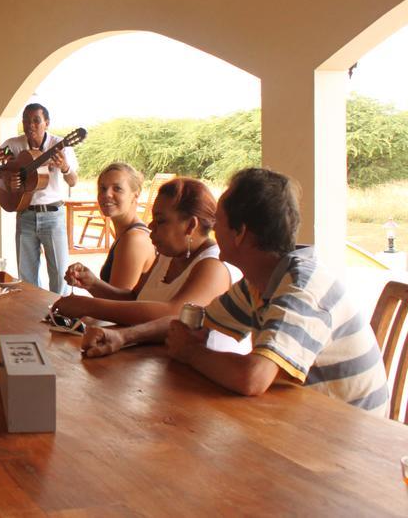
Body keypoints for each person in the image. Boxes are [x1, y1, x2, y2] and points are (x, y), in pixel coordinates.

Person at [81, 168, 390, 415]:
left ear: (240, 233)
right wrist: (123, 338)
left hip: (351, 445)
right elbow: (192, 321)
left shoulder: (302, 287)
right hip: (301, 422)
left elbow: (252, 378)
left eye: (220, 224)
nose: (212, 231)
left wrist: (190, 352)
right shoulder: (259, 282)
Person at [53, 178, 234, 324]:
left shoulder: (213, 266)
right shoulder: (167, 255)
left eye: (161, 221)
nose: (150, 225)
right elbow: (134, 299)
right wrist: (92, 284)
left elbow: (174, 314)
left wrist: (89, 306)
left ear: (190, 225)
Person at [0, 103, 79, 294]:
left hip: (52, 215)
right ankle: (31, 319)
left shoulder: (60, 146)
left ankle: (60, 318)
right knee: (26, 276)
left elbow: (73, 181)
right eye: (26, 120)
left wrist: (65, 167)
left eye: (36, 120)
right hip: (25, 213)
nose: (30, 125)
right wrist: (6, 177)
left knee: (60, 276)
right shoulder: (12, 146)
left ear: (47, 123)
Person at [95, 163, 157, 290]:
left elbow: (118, 304)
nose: (107, 194)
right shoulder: (126, 233)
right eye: (103, 188)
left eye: (117, 188)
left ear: (135, 195)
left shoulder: (134, 239)